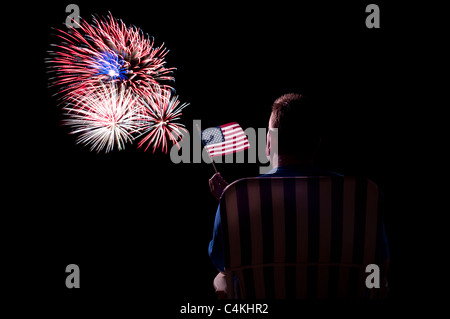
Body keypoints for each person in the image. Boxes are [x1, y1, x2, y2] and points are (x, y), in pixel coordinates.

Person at [208, 93, 389, 296]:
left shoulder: (238, 197)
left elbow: (223, 262)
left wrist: (232, 208)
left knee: (221, 279)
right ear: (317, 142)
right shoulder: (361, 195)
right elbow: (379, 261)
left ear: (269, 144)